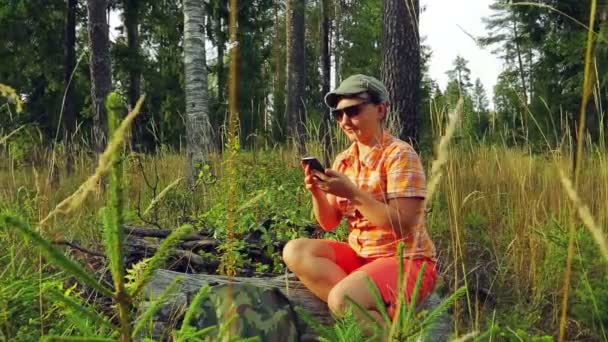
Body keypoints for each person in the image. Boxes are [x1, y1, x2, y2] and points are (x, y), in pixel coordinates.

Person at [282, 74, 437, 329]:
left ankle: (383, 326)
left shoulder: (399, 155)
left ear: (381, 109)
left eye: (353, 111)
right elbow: (330, 222)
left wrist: (352, 193)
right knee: (295, 250)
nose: (345, 121)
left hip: (407, 260)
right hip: (362, 256)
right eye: (338, 114)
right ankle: (369, 311)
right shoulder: (344, 159)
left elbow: (404, 224)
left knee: (342, 301)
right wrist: (317, 192)